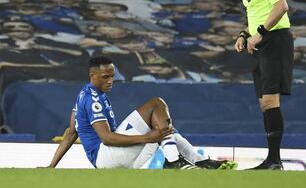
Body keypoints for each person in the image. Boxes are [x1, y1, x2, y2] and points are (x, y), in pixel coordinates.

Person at [47, 55, 237, 169]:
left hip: (111, 162)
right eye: (105, 77)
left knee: (164, 128)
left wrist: (51, 166)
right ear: (92, 76)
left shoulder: (83, 95)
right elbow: (107, 138)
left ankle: (199, 161)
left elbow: (72, 132)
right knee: (156, 104)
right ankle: (172, 161)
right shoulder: (93, 100)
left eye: (112, 76)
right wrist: (147, 138)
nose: (110, 81)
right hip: (108, 155)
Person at [209, 0, 294, 170]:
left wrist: (261, 34)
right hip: (260, 41)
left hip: (275, 39)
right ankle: (272, 160)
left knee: (270, 100)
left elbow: (281, 6)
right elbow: (258, 13)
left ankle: (275, 161)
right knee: (264, 104)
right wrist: (245, 34)